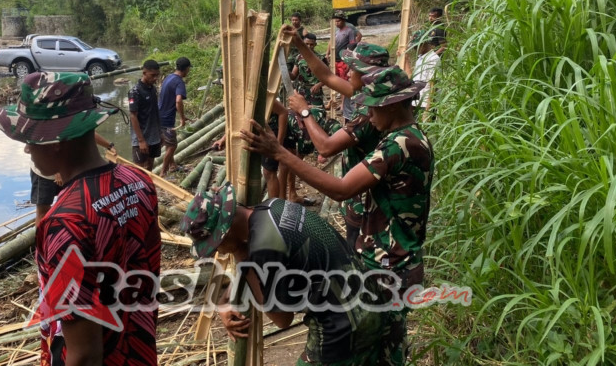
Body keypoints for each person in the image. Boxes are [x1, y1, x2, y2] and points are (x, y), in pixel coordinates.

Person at [241, 66, 434, 365]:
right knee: (379, 346)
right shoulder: (407, 136)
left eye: (373, 108)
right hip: (390, 261)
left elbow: (342, 188)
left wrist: (279, 153)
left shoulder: (401, 144)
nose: (368, 116)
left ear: (393, 105)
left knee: (386, 348)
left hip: (391, 266)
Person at [0, 72, 160, 366]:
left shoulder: (66, 222)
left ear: (56, 140)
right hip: (138, 348)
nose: (27, 148)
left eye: (31, 139)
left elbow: (83, 355)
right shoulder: (137, 181)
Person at [181, 183, 386, 366]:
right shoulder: (272, 207)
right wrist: (225, 300)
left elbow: (281, 319)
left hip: (344, 328)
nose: (220, 251)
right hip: (371, 300)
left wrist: (239, 253)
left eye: (216, 245)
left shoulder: (264, 248)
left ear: (225, 232)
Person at [283, 32, 391, 249]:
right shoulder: (373, 93)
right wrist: (299, 43)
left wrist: (305, 112)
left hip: (364, 201)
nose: (348, 71)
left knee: (358, 253)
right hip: (366, 193)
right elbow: (327, 77)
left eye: (353, 68)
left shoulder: (367, 114)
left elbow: (326, 147)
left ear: (367, 73)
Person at [158, 57, 191, 177]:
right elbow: (178, 101)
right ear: (186, 69)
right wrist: (182, 118)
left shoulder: (168, 77)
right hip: (166, 119)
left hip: (159, 115)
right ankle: (163, 173)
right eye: (188, 69)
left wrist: (184, 115)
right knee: (172, 146)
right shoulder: (179, 82)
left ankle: (173, 166)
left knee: (168, 143)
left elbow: (168, 99)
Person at [129, 60, 162, 170]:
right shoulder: (135, 91)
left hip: (154, 137)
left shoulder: (152, 88)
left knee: (149, 167)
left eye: (157, 75)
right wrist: (141, 140)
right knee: (139, 170)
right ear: (144, 73)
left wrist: (159, 133)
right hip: (141, 139)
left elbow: (154, 112)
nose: (155, 78)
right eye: (152, 75)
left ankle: (149, 187)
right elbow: (133, 116)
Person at [409, 30, 441, 111]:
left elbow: (433, 84)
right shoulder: (420, 59)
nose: (415, 49)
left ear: (424, 44)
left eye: (416, 46)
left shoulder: (433, 59)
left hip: (425, 104)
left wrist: (428, 108)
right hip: (417, 102)